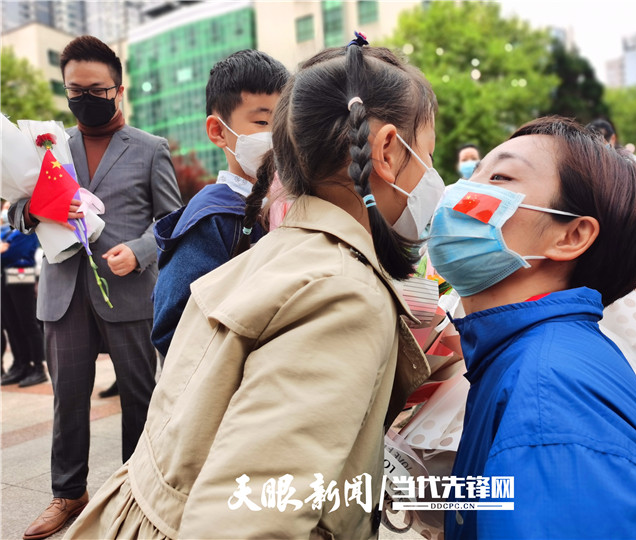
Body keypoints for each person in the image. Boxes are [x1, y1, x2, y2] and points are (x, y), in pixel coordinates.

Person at [66, 38, 439, 539]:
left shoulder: (282, 245)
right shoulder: (342, 293)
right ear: (388, 151)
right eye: (427, 154)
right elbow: (251, 518)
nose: (431, 175)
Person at [427, 117, 636, 539]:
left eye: (500, 177)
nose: (460, 192)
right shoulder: (539, 358)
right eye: (474, 174)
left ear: (572, 236)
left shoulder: (549, 408)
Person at [8, 36, 182, 540]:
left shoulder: (150, 148)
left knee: (140, 397)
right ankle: (68, 493)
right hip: (63, 294)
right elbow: (16, 210)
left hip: (129, 292)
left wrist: (141, 251)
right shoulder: (48, 146)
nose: (84, 98)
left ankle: (136, 492)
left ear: (118, 90)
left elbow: (171, 221)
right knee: (67, 400)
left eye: (96, 90)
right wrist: (35, 208)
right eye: (74, 90)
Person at [151, 50, 289, 358]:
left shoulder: (290, 204)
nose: (275, 136)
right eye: (262, 121)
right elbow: (172, 326)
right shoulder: (212, 218)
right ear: (218, 132)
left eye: (283, 123)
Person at [0, 203, 48, 387]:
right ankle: (22, 364)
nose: (7, 211)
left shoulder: (26, 229)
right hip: (6, 277)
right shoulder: (7, 232)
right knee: (12, 325)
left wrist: (6, 249)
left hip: (20, 277)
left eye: (10, 206)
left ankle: (38, 367)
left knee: (27, 323)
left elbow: (14, 253)